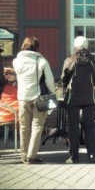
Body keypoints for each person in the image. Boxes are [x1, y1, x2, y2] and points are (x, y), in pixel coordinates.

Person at [13, 36, 55, 164]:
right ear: (36, 47)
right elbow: (50, 81)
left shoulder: (16, 61)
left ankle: (24, 155)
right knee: (37, 126)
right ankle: (32, 156)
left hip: (22, 97)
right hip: (38, 98)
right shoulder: (41, 61)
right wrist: (53, 93)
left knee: (24, 127)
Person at [61, 36, 95, 164]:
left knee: (73, 127)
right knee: (90, 127)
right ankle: (92, 156)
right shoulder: (92, 59)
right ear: (87, 47)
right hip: (89, 97)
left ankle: (73, 157)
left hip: (73, 97)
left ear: (75, 47)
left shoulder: (70, 59)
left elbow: (64, 78)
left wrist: (66, 86)